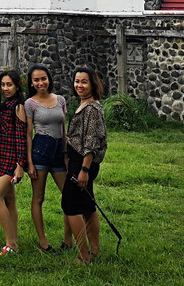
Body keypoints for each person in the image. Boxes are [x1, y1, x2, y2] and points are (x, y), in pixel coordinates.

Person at [61, 65, 108, 264]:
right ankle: (95, 251)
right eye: (77, 81)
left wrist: (84, 169)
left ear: (93, 84)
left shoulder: (91, 108)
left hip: (82, 164)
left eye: (84, 82)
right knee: (88, 207)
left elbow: (90, 142)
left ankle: (84, 255)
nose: (79, 85)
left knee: (70, 206)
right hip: (78, 162)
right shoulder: (85, 104)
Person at [24, 64, 72, 254]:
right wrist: (29, 162)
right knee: (38, 198)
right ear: (32, 83)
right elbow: (28, 134)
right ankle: (43, 243)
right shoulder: (30, 103)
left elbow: (64, 129)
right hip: (40, 149)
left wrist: (66, 153)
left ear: (49, 79)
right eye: (36, 80)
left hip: (59, 151)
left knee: (68, 196)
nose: (40, 82)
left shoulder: (60, 100)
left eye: (43, 78)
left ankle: (68, 240)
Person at [0, 69, 26, 256]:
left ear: (17, 85)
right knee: (10, 201)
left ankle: (11, 244)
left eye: (9, 84)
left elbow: (21, 137)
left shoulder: (18, 107)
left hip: (11, 161)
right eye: (3, 85)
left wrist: (20, 164)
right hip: (1, 158)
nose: (5, 88)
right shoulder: (5, 104)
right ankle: (14, 241)